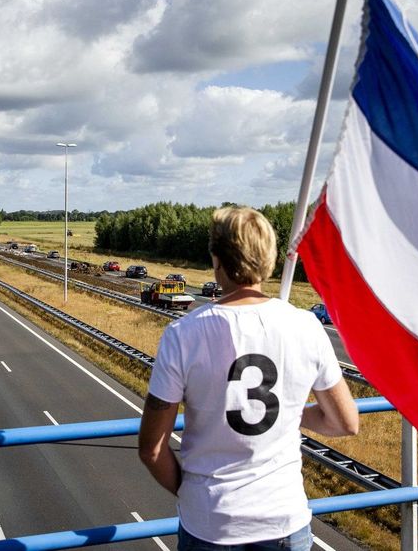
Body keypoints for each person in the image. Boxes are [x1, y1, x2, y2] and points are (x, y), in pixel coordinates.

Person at [138, 206, 359, 550]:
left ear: (217, 260)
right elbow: (345, 421)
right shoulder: (306, 326)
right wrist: (284, 410)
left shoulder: (183, 334)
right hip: (285, 522)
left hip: (210, 523)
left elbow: (151, 449)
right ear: (270, 258)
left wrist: (192, 492)